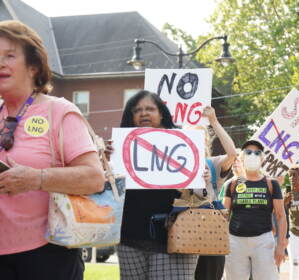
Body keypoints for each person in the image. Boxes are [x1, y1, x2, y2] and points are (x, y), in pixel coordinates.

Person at [0, 20, 105, 280]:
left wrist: (37, 179)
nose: (0, 63)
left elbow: (94, 178)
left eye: (9, 56)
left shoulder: (59, 111)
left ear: (34, 66)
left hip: (48, 255)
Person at [116, 90, 198, 280]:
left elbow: (197, 196)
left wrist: (197, 177)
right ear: (131, 116)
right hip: (130, 237)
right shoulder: (120, 148)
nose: (143, 113)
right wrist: (107, 160)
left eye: (150, 109)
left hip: (176, 236)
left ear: (162, 113)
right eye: (137, 110)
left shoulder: (184, 145)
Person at [222, 140, 287, 280]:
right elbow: (223, 216)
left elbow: (281, 216)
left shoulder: (271, 184)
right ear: (241, 157)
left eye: (257, 152)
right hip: (235, 241)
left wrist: (281, 245)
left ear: (262, 158)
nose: (253, 155)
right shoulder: (232, 184)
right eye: (248, 152)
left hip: (263, 241)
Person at [189, 106, 237, 280]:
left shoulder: (213, 164)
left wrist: (214, 122)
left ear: (206, 142)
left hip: (211, 233)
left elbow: (232, 153)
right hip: (184, 231)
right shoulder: (173, 167)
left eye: (199, 138)